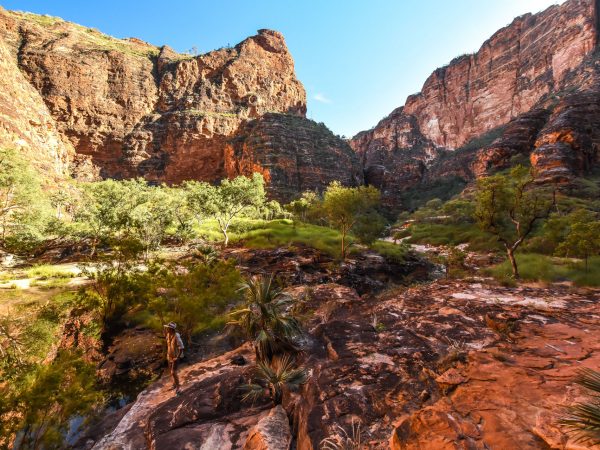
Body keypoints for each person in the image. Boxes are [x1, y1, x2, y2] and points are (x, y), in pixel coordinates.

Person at [164, 322, 184, 394]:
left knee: (173, 372)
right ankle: (174, 384)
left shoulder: (176, 336)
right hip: (169, 356)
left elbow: (181, 347)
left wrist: (177, 357)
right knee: (170, 371)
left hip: (175, 356)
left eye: (168, 328)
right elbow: (168, 345)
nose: (166, 329)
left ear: (171, 329)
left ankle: (179, 387)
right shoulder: (168, 335)